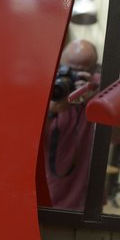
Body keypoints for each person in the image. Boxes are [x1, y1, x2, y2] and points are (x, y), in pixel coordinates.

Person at [43, 39, 99, 210]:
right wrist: (52, 110)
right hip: (47, 192)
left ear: (93, 70)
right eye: (67, 69)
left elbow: (116, 139)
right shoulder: (47, 84)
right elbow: (24, 142)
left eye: (79, 72)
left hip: (83, 199)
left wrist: (94, 103)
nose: (70, 76)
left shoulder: (98, 87)